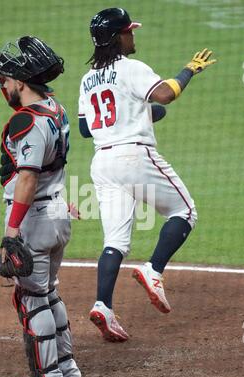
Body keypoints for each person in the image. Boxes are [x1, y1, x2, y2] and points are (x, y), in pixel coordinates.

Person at [78, 8, 216, 342]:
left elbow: (86, 128)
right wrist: (189, 70)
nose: (133, 35)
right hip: (133, 156)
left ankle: (103, 306)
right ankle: (153, 269)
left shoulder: (87, 79)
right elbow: (165, 94)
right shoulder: (131, 68)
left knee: (115, 241)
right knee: (184, 211)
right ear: (116, 38)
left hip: (102, 163)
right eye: (128, 31)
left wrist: (140, 113)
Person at [0, 36, 81, 377]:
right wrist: (1, 73)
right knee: (48, 294)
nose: (4, 86)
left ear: (22, 83)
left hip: (34, 218)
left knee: (30, 299)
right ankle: (68, 373)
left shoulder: (24, 122)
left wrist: (12, 233)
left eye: (7, 81)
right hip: (57, 211)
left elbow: (27, 177)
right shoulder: (55, 108)